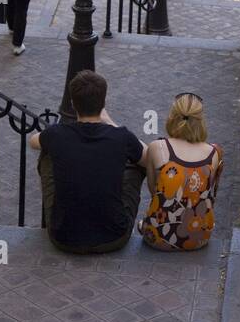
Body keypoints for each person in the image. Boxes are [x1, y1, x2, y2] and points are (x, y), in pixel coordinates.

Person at [30, 70, 146, 254]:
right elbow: (147, 156)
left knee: (47, 154)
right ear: (103, 103)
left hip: (63, 237)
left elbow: (33, 141)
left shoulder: (57, 134)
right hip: (115, 237)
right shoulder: (121, 136)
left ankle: (55, 213)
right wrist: (109, 122)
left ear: (73, 104)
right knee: (137, 162)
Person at [140, 94, 223, 252]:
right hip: (199, 239)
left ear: (172, 117)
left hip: (158, 238)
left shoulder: (158, 147)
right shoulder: (213, 153)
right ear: (201, 121)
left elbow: (154, 191)